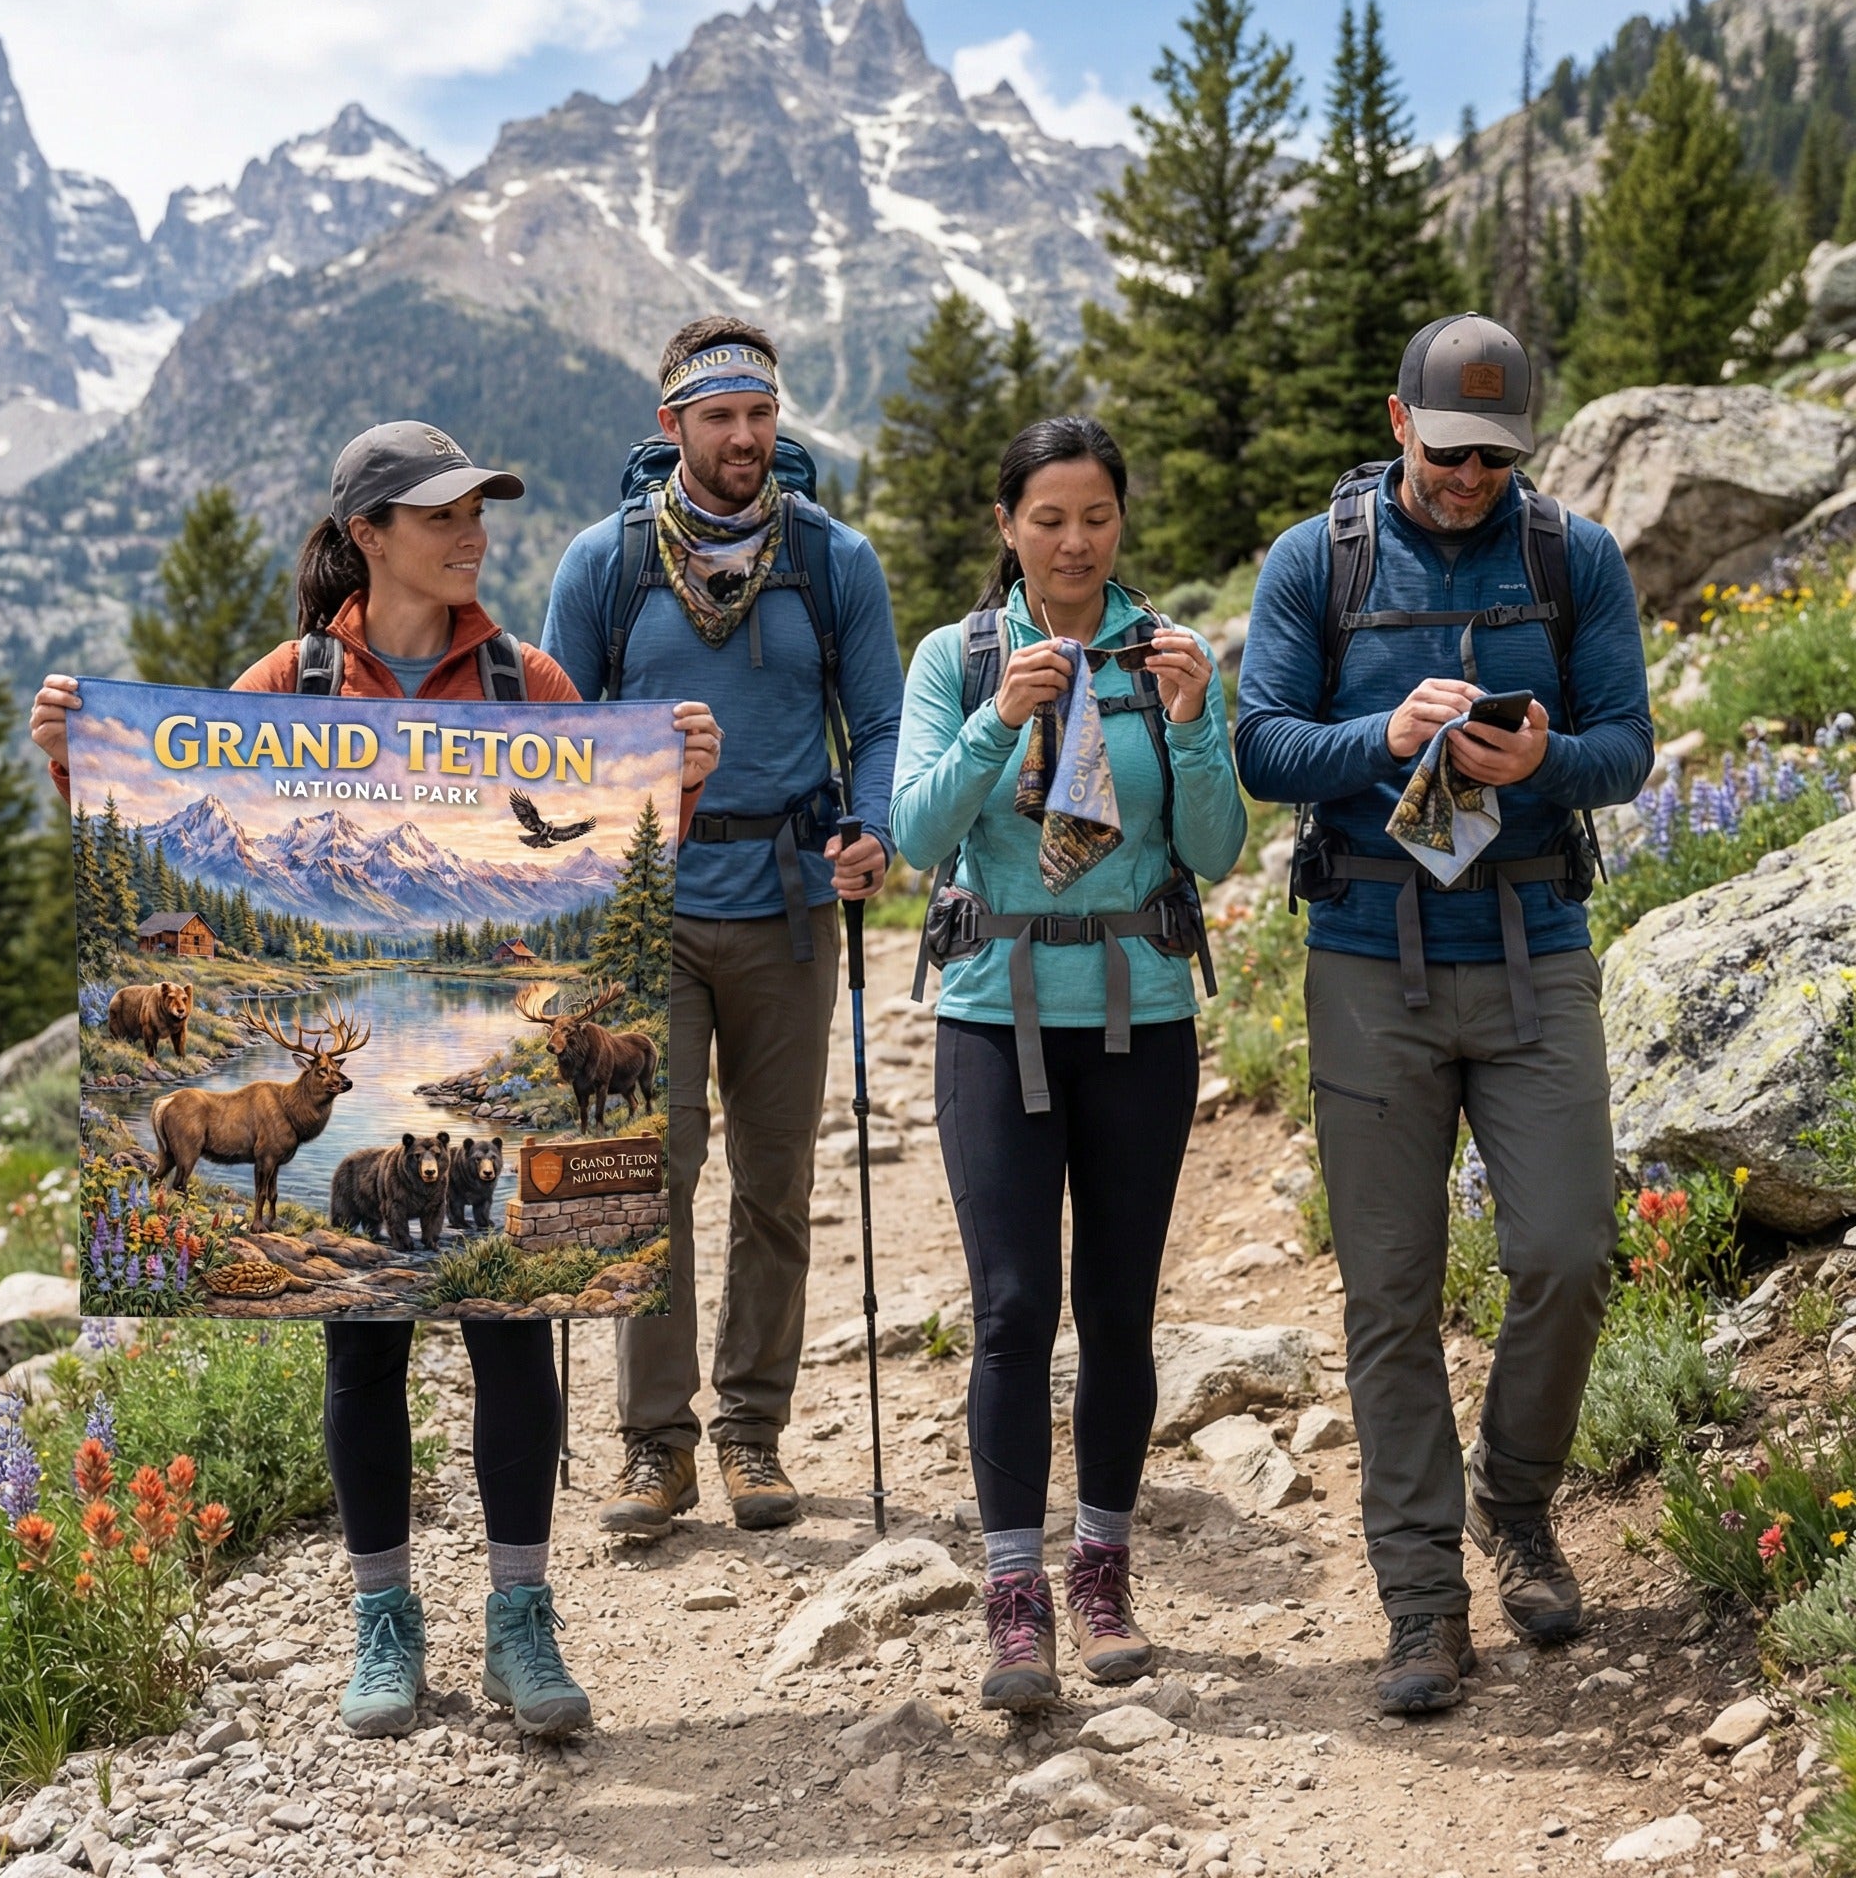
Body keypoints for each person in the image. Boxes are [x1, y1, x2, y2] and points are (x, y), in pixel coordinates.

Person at [30, 419, 721, 1741]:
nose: (474, 534)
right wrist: (72, 748)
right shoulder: (285, 683)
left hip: (457, 1080)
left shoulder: (532, 686)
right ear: (371, 536)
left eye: (480, 513)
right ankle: (383, 1625)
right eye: (445, 516)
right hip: (344, 1060)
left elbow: (609, 868)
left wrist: (675, 780)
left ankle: (523, 1624)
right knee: (365, 1345)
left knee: (518, 1345)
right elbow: (153, 795)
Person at [1234, 316, 1654, 1715]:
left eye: (1499, 455)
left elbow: (1628, 749)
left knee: (1569, 1250)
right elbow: (1261, 744)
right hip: (1367, 962)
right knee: (1390, 1297)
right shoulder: (1320, 560)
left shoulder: (1571, 557)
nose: (1474, 477)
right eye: (1452, 449)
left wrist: (1541, 763)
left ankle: (1515, 1502)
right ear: (1399, 421)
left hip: (1539, 945)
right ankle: (1422, 1602)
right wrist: (1386, 741)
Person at [890, 416, 1246, 1709]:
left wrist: (1200, 724)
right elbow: (917, 820)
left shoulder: (1167, 659)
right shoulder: (957, 657)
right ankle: (1012, 1594)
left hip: (1141, 1014)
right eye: (1049, 517)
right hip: (995, 1010)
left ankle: (1103, 1565)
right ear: (1008, 527)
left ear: (1120, 524)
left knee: (1119, 1309)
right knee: (1008, 1309)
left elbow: (1214, 852)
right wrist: (996, 721)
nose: (1075, 541)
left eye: (1095, 516)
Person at [540, 317, 904, 1539]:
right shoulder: (602, 564)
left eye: (760, 414)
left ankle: (751, 1430)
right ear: (672, 429)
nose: (744, 436)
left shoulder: (832, 559)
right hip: (649, 914)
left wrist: (872, 824)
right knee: (649, 1178)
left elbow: (883, 722)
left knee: (776, 1181)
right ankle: (655, 1447)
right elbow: (557, 743)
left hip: (792, 902)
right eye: (718, 417)